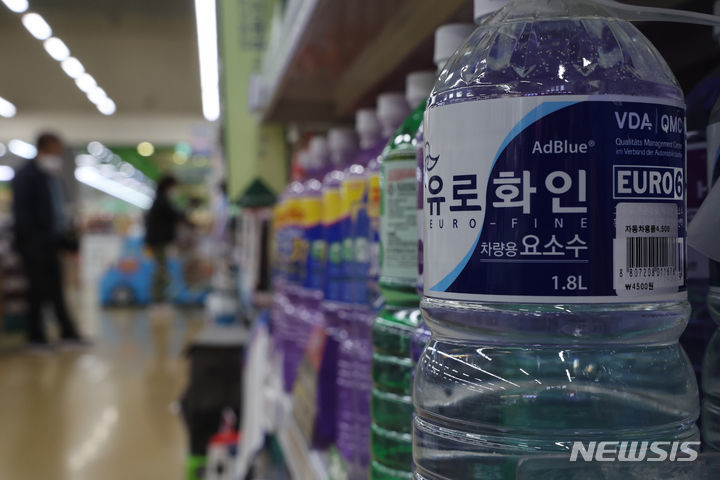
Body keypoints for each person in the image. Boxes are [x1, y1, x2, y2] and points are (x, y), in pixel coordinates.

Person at [12, 133, 84, 349]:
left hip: (51, 242)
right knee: (37, 290)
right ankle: (36, 337)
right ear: (43, 148)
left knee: (56, 290)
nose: (58, 154)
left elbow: (57, 211)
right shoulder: (26, 176)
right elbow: (23, 214)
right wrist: (34, 241)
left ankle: (68, 333)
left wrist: (65, 239)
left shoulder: (51, 176)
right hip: (34, 244)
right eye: (55, 150)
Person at [145, 175, 185, 305]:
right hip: (159, 241)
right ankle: (158, 298)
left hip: (158, 240)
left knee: (161, 267)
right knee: (160, 268)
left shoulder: (159, 199)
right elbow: (173, 214)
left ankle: (159, 296)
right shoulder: (162, 201)